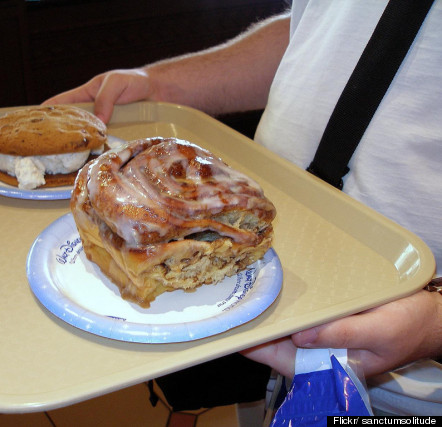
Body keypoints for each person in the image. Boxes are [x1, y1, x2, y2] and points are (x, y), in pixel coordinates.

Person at [44, 0, 442, 415]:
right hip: (265, 301)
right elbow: (316, 29)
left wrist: (435, 322)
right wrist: (160, 84)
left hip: (407, 380)